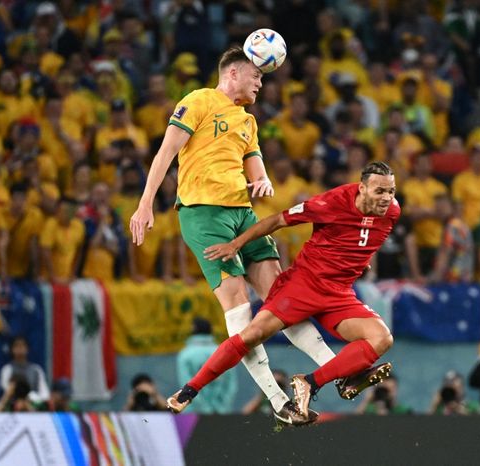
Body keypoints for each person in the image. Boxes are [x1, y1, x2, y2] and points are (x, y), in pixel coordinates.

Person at [129, 46, 341, 425]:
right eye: (256, 76)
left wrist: (263, 181)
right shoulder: (198, 101)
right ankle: (277, 400)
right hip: (203, 213)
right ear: (233, 74)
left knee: (282, 297)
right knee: (240, 305)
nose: (261, 82)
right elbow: (165, 153)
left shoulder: (248, 121)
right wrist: (145, 204)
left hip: (242, 213)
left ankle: (338, 368)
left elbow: (257, 169)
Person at [166, 162, 399, 422]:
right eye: (380, 191)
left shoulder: (393, 211)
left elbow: (361, 239)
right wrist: (236, 244)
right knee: (252, 334)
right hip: (303, 286)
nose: (387, 198)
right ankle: (189, 389)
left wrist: (357, 260)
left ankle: (310, 382)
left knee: (381, 338)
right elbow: (278, 220)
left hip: (340, 293)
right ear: (362, 188)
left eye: (391, 191)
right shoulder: (331, 203)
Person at [177, 318, 237, 414]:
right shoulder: (225, 352)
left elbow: (186, 384)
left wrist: (205, 409)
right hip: (222, 413)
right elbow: (231, 385)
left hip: (194, 415)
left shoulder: (185, 355)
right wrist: (222, 407)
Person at [0, 336, 50, 403]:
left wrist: (32, 398)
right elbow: (6, 390)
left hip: (33, 406)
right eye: (17, 346)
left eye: (22, 345)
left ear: (27, 348)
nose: (20, 348)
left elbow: (45, 394)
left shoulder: (36, 369)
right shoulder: (7, 369)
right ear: (12, 349)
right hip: (13, 406)